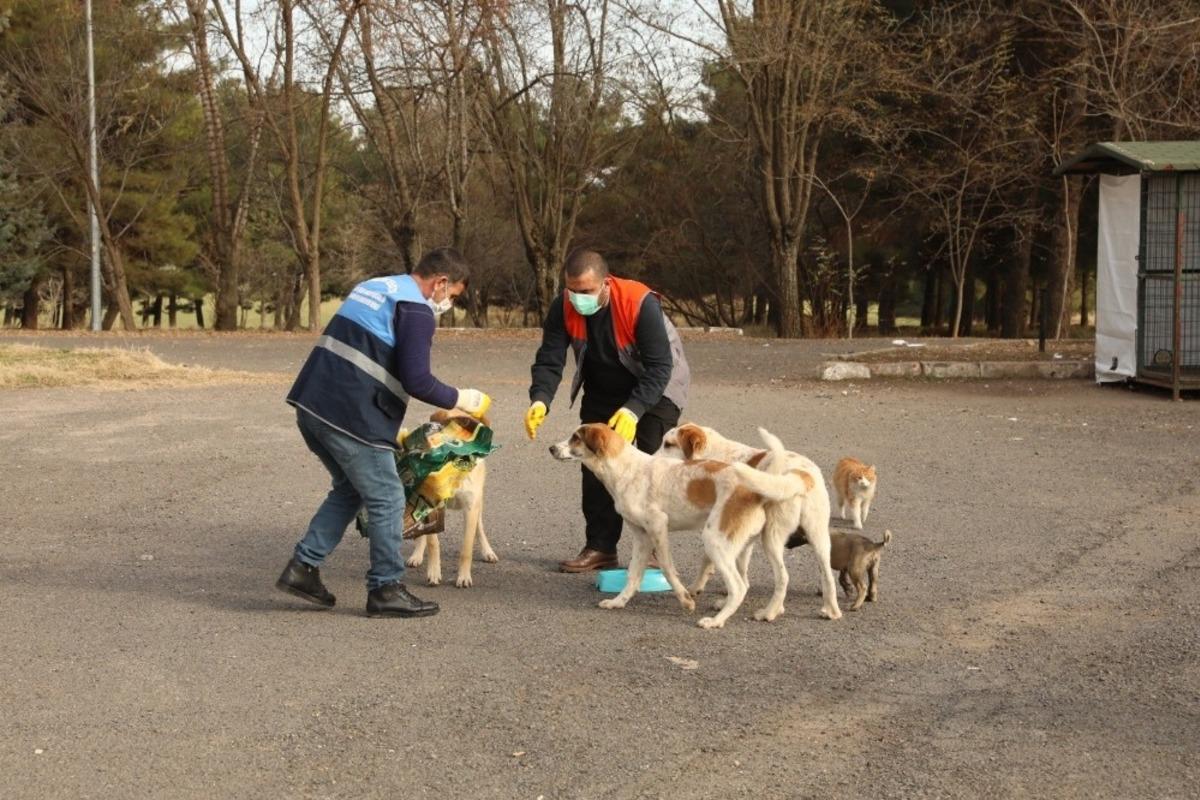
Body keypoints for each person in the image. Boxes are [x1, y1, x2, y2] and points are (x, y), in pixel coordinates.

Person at [276, 247, 492, 618]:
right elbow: (417, 380)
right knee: (388, 497)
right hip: (352, 418)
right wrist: (463, 398)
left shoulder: (374, 287)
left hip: (312, 405)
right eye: (453, 296)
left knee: (351, 489)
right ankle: (386, 588)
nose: (448, 303)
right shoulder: (416, 310)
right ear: (441, 282)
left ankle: (302, 568)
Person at [525, 249, 690, 572]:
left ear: (606, 283)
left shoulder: (640, 303)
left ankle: (655, 552)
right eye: (572, 290)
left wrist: (633, 410)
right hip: (603, 389)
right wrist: (540, 399)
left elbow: (660, 367)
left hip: (658, 388)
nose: (578, 299)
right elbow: (549, 358)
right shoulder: (563, 306)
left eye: (586, 291)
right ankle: (600, 548)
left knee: (652, 469)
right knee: (594, 463)